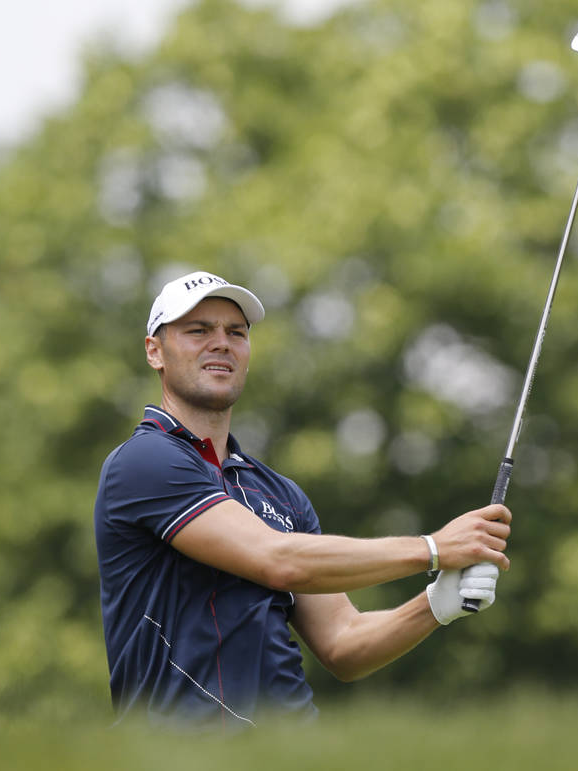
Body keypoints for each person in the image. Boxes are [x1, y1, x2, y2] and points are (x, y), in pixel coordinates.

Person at [94, 270, 512, 727]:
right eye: (198, 330)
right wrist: (432, 549)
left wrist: (435, 603)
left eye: (236, 332)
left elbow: (344, 644)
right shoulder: (144, 460)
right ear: (155, 351)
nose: (221, 343)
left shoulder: (279, 493)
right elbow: (279, 560)